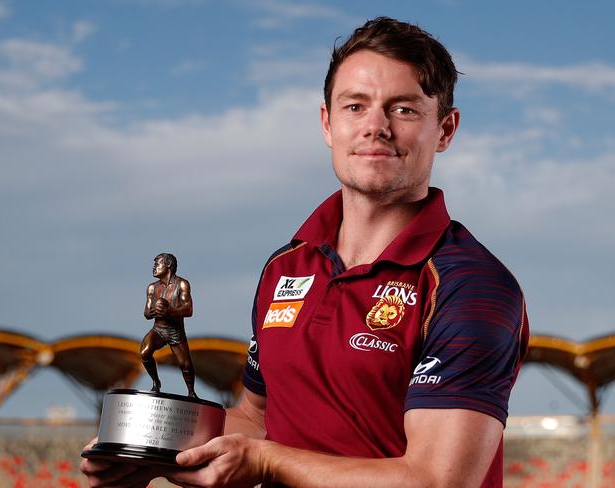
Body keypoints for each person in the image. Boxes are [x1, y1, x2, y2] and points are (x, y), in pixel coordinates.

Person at [81, 17, 529, 487]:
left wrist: (268, 462)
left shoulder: (473, 286)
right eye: (355, 106)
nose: (376, 127)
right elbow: (256, 421)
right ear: (327, 123)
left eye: (404, 110)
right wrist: (144, 453)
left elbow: (436, 480)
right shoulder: (285, 267)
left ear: (445, 130)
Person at [141, 252, 196, 397]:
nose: (154, 267)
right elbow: (146, 313)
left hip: (175, 331)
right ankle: (155, 382)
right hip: (158, 330)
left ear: (168, 265)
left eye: (157, 264)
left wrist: (169, 311)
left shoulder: (182, 284)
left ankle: (191, 392)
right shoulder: (151, 288)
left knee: (186, 365)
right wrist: (154, 310)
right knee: (144, 352)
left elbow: (189, 309)